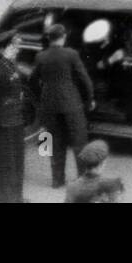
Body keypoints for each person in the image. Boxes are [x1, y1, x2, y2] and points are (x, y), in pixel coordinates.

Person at [29, 23, 94, 188]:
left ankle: (57, 180)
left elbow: (32, 81)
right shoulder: (71, 54)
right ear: (63, 37)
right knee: (79, 142)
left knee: (54, 142)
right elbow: (84, 79)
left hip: (49, 105)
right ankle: (82, 180)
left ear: (49, 39)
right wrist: (89, 100)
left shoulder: (41, 56)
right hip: (71, 104)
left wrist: (40, 99)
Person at [0, 32, 27, 203]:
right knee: (6, 166)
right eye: (15, 46)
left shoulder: (9, 64)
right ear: (5, 47)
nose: (17, 50)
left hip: (16, 119)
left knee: (18, 163)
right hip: (2, 122)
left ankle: (17, 198)